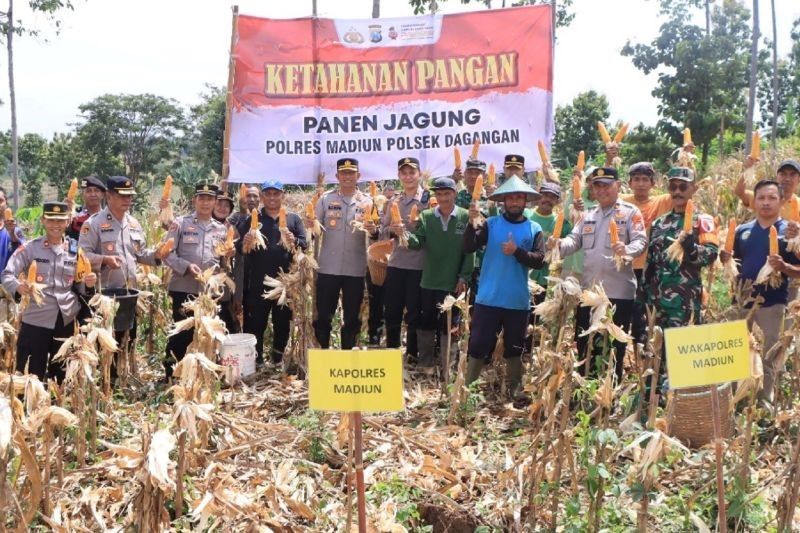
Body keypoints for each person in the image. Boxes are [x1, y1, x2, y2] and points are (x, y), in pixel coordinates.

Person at [551, 167, 647, 380]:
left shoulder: (631, 213)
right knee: (586, 345)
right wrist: (557, 243)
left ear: (618, 186)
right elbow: (573, 241)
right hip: (589, 294)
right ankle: (586, 393)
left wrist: (627, 249)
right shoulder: (587, 216)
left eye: (606, 185)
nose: (602, 190)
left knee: (614, 348)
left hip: (618, 295)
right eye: (597, 186)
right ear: (592, 190)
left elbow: (641, 240)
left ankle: (609, 397)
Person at [463, 176, 545, 396]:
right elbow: (469, 247)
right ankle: (468, 389)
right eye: (511, 198)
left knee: (515, 347)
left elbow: (539, 259)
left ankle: (515, 389)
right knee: (478, 344)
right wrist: (471, 225)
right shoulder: (490, 224)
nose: (515, 202)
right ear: (504, 201)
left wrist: (516, 251)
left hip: (517, 300)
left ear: (525, 200)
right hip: (488, 298)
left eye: (519, 197)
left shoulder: (534, 228)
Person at [721, 179, 800, 405]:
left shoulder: (791, 231)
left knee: (767, 356)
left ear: (781, 201)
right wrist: (724, 259)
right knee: (737, 355)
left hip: (772, 303)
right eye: (761, 198)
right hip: (741, 302)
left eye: (771, 198)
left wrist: (784, 267)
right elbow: (732, 261)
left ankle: (764, 404)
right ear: (753, 202)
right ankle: (738, 401)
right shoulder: (742, 231)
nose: (766, 203)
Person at [2, 201, 97, 382]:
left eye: (60, 221)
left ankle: (57, 406)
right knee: (29, 374)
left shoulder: (75, 251)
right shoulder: (30, 248)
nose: (56, 225)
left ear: (68, 222)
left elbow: (80, 286)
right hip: (36, 318)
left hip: (66, 319)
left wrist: (89, 284)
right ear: (43, 221)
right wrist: (18, 287)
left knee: (61, 375)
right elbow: (7, 273)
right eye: (51, 220)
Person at [162, 184, 232, 378]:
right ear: (194, 200)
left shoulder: (221, 229)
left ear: (215, 202)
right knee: (182, 331)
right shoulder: (180, 223)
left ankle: (201, 374)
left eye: (209, 198)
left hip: (209, 292)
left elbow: (223, 261)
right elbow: (166, 253)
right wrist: (185, 266)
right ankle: (172, 374)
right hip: (184, 287)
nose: (205, 202)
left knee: (205, 332)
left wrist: (228, 256)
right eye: (201, 198)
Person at [235, 180, 307, 365]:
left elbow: (304, 245)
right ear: (263, 197)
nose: (272, 198)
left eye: (276, 194)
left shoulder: (293, 219)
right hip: (258, 281)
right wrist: (246, 242)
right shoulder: (252, 219)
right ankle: (255, 361)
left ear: (283, 196)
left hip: (285, 282)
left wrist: (294, 242)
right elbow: (239, 248)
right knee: (255, 323)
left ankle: (277, 359)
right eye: (268, 194)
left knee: (282, 323)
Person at [405, 177, 474, 369]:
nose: (443, 198)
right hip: (430, 280)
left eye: (447, 193)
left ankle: (448, 366)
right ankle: (425, 363)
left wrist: (464, 276)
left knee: (450, 325)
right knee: (426, 321)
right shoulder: (426, 216)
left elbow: (470, 250)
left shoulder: (465, 216)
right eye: (440, 194)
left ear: (455, 194)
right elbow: (417, 243)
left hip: (453, 281)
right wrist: (403, 234)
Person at [310, 158, 373, 350]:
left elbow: (376, 234)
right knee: (323, 316)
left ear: (358, 176)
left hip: (356, 269)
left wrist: (373, 229)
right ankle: (323, 356)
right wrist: (309, 225)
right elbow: (314, 230)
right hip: (328, 268)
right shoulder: (325, 200)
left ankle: (347, 357)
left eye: (351, 173)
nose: (347, 177)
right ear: (337, 176)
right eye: (343, 173)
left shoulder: (367, 202)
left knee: (352, 318)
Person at [381, 157, 429, 362]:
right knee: (392, 310)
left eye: (412, 172)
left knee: (414, 312)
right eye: (404, 173)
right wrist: (392, 229)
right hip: (396, 263)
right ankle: (392, 353)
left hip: (418, 264)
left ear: (419, 174)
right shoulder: (394, 202)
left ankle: (411, 355)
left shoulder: (427, 200)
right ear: (399, 176)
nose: (408, 177)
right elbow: (382, 232)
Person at [621, 162, 672, 345]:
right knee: (623, 315)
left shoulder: (662, 201)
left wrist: (687, 160)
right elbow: (597, 190)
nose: (641, 184)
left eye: (645, 180)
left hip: (650, 269)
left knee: (644, 318)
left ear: (653, 183)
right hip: (625, 268)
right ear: (630, 182)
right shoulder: (621, 201)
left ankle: (642, 359)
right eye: (636, 179)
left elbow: (687, 188)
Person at [527, 181, 573, 302]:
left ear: (557, 201)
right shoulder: (526, 215)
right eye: (545, 195)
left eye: (552, 197)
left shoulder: (562, 223)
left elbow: (574, 240)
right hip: (525, 275)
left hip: (548, 279)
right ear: (538, 195)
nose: (548, 199)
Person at [735, 158, 800, 221]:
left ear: (799, 179)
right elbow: (740, 192)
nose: (787, 179)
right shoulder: (764, 198)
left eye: (792, 175)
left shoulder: (798, 204)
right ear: (777, 176)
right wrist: (748, 170)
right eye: (783, 174)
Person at [66, 176, 106, 241]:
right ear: (82, 195)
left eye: (96, 191)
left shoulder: (108, 217)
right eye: (88, 191)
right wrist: (64, 213)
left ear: (102, 195)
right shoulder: (74, 215)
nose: (93, 194)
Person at [0, 186, 24, 271]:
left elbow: (23, 252)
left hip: (6, 282)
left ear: (6, 203)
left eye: (0, 201)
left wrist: (12, 233)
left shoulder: (16, 231)